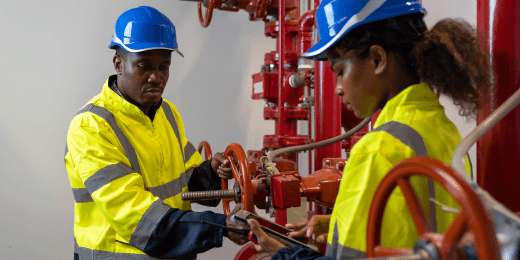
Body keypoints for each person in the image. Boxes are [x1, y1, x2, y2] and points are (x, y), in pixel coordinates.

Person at [248, 0, 490, 258]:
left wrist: (282, 252)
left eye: (340, 71)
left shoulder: (377, 149)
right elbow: (422, 221)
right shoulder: (445, 131)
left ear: (377, 58)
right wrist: (337, 224)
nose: (339, 87)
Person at [64, 6, 248, 260]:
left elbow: (184, 181)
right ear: (119, 63)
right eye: (144, 66)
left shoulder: (167, 113)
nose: (156, 77)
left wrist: (212, 172)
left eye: (164, 67)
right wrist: (217, 227)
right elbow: (133, 215)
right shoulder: (91, 127)